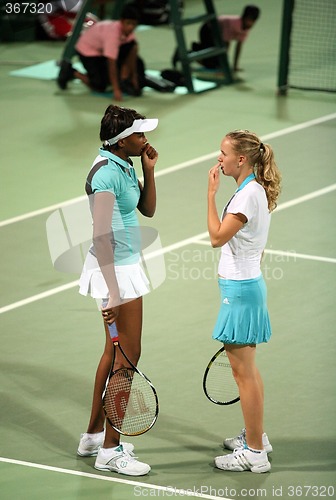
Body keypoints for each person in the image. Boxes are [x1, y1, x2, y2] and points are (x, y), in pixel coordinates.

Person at [77, 104, 159, 476]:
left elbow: (148, 209)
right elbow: (100, 236)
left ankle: (93, 435)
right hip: (115, 271)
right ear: (121, 140)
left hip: (124, 267)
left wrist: (148, 169)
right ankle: (111, 451)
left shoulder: (124, 164)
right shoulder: (104, 175)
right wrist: (112, 293)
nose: (146, 139)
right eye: (140, 135)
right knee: (129, 357)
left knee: (113, 356)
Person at [207, 129, 281, 473]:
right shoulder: (255, 191)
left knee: (243, 376)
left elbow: (216, 237)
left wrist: (210, 196)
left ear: (241, 159)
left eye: (223, 153)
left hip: (239, 291)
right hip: (248, 285)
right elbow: (259, 247)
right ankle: (257, 437)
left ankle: (254, 453)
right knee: (249, 372)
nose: (218, 158)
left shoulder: (244, 196)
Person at [57, 5, 145, 99]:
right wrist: (116, 89)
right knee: (99, 86)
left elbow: (132, 50)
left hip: (101, 51)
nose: (131, 27)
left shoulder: (129, 34)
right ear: (122, 21)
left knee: (133, 50)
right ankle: (71, 72)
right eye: (128, 23)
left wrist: (133, 77)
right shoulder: (113, 34)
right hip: (87, 51)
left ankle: (104, 76)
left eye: (134, 24)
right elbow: (111, 63)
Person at [192, 5, 260, 72]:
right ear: (244, 18)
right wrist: (225, 65)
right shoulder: (233, 24)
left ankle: (198, 50)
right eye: (249, 20)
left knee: (215, 61)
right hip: (208, 29)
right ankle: (195, 49)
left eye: (253, 21)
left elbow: (238, 47)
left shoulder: (246, 29)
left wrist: (235, 66)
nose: (251, 24)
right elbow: (226, 44)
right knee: (212, 59)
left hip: (217, 33)